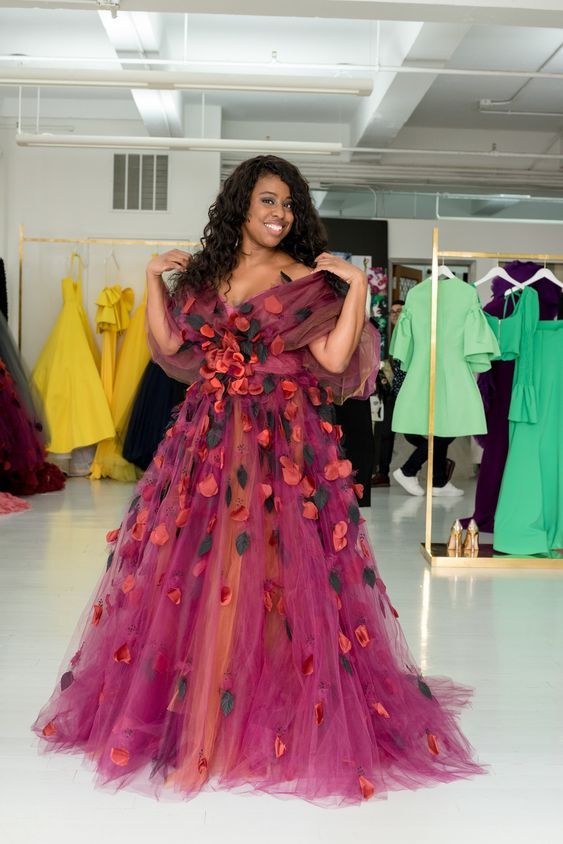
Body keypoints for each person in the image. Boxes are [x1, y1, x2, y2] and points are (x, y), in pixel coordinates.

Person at [32, 155, 482, 804]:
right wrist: (153, 279)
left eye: (289, 204)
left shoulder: (304, 278)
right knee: (201, 569)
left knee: (271, 571)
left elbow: (334, 357)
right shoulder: (206, 274)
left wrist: (357, 287)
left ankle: (258, 712)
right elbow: (172, 349)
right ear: (241, 204)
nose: (280, 214)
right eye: (268, 200)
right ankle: (200, 714)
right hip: (206, 440)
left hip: (280, 443)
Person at [371, 299, 404, 487]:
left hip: (406, 389)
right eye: (393, 312)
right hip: (389, 389)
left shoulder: (410, 332)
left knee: (412, 434)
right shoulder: (384, 334)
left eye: (400, 311)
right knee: (384, 431)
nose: (395, 315)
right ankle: (382, 472)